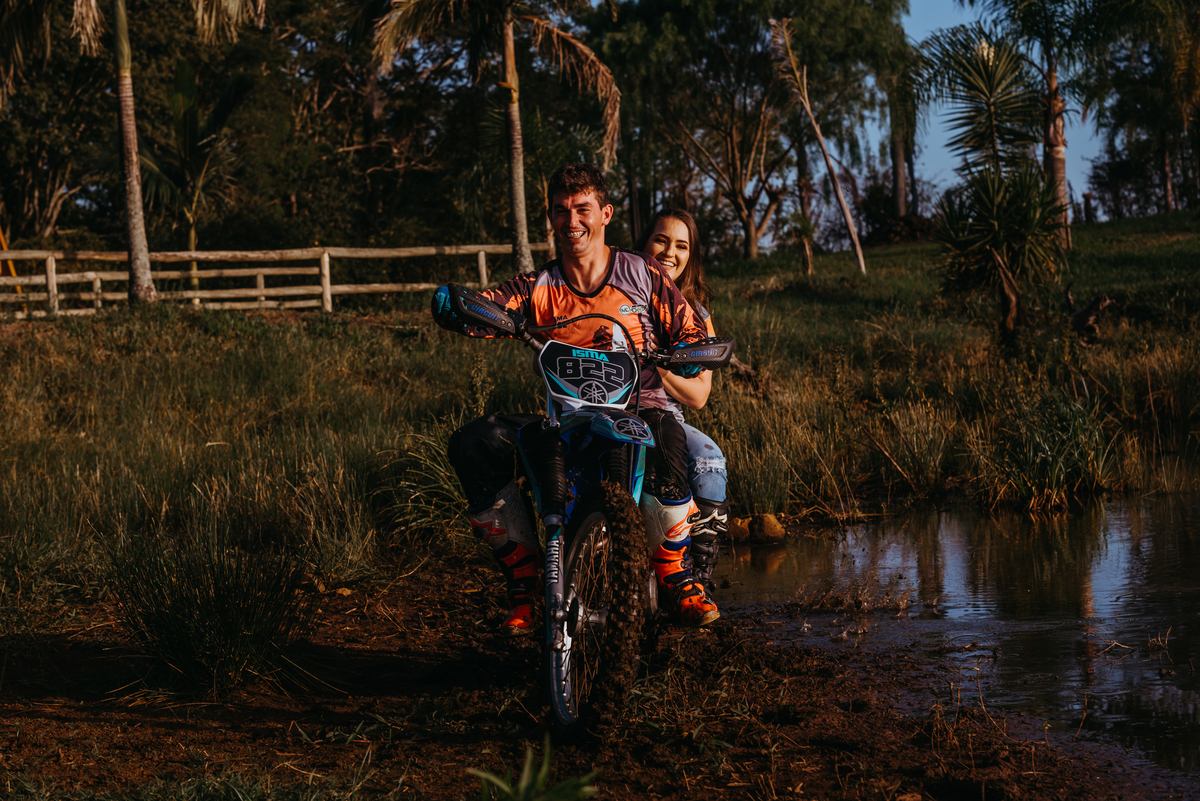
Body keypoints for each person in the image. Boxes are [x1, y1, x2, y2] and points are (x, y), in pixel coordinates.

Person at [430, 162, 721, 634]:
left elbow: (687, 326)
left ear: (605, 214)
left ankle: (674, 570)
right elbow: (491, 305)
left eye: (583, 209)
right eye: (561, 211)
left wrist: (688, 353)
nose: (572, 221)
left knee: (669, 434)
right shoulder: (537, 286)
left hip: (637, 411)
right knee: (475, 442)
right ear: (551, 218)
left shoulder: (643, 274)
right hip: (564, 418)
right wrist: (459, 306)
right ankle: (525, 582)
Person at [634, 209, 729, 597]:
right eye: (661, 240)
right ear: (644, 242)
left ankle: (696, 579)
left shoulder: (697, 315)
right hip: (611, 408)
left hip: (665, 415)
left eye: (681, 245)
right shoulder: (618, 291)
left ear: (692, 255)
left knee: (709, 459)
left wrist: (653, 363)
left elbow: (699, 396)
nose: (669, 252)